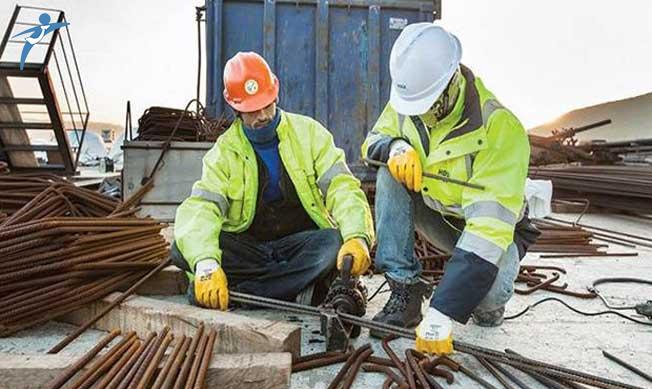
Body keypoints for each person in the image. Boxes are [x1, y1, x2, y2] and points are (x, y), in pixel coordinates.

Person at [361, 23, 532, 355]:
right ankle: (405, 291)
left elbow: (485, 232)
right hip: (439, 214)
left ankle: (490, 304)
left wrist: (442, 311)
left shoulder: (500, 129)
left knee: (484, 304)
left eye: (427, 105)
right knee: (388, 174)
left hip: (492, 235)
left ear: (451, 82)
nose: (419, 115)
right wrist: (395, 146)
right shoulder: (409, 101)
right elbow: (372, 143)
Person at [173, 51, 374, 311]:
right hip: (251, 250)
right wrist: (206, 265)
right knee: (181, 250)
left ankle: (244, 294)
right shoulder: (223, 153)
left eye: (267, 104)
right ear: (234, 106)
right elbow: (203, 209)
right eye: (252, 110)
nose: (263, 116)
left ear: (275, 92)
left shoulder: (309, 133)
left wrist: (357, 236)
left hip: (300, 244)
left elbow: (341, 186)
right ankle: (295, 290)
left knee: (333, 243)